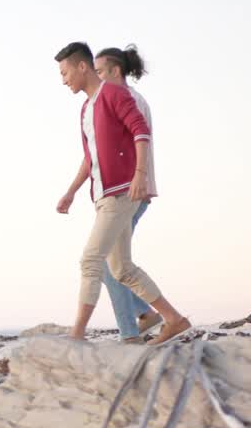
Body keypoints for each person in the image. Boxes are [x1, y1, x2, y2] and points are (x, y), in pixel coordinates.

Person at [53, 41, 190, 345]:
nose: (63, 80)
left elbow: (140, 130)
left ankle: (77, 335)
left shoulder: (114, 93)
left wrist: (140, 176)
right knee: (121, 269)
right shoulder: (86, 108)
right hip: (103, 195)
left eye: (65, 73)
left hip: (122, 192)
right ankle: (174, 320)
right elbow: (91, 158)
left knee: (91, 260)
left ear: (82, 66)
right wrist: (71, 192)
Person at [90, 45, 162, 342]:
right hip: (130, 192)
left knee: (111, 265)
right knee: (110, 264)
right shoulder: (128, 98)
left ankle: (132, 332)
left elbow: (137, 141)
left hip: (130, 193)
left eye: (99, 72)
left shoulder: (127, 98)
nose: (97, 79)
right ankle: (143, 316)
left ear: (115, 71)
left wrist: (137, 179)